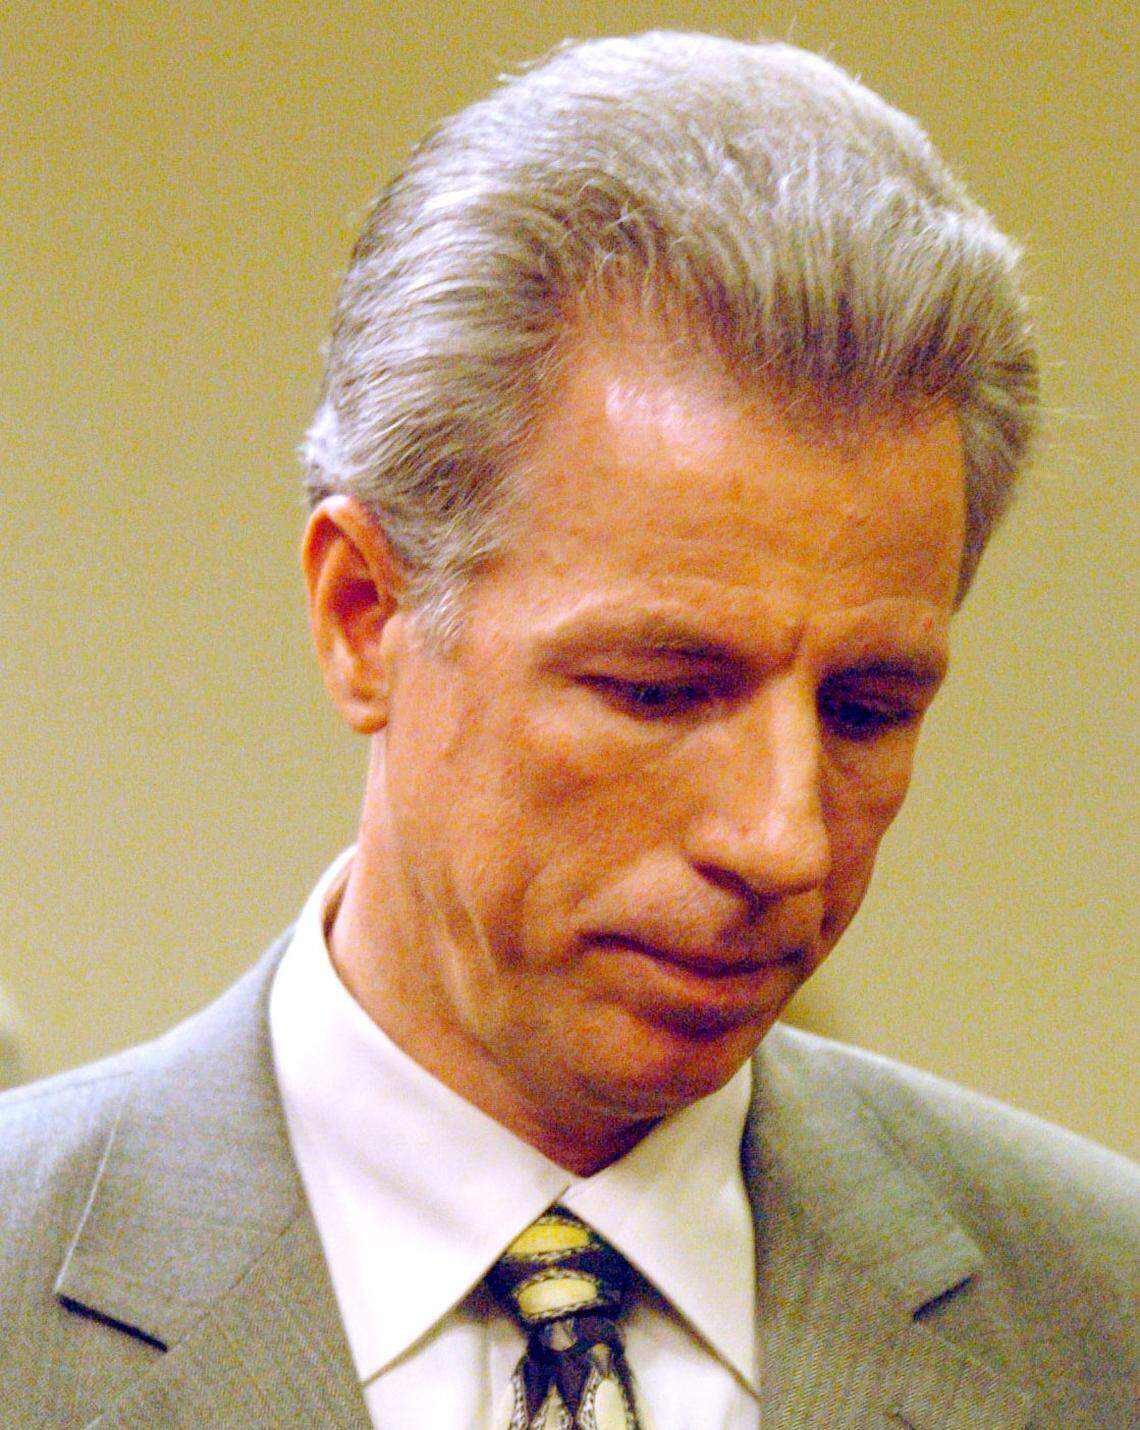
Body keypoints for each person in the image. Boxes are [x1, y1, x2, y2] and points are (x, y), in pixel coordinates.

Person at [1, 31, 1135, 1430]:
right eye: (661, 690)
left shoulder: (1100, 1318)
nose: (781, 837)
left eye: (867, 709)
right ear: (365, 612)